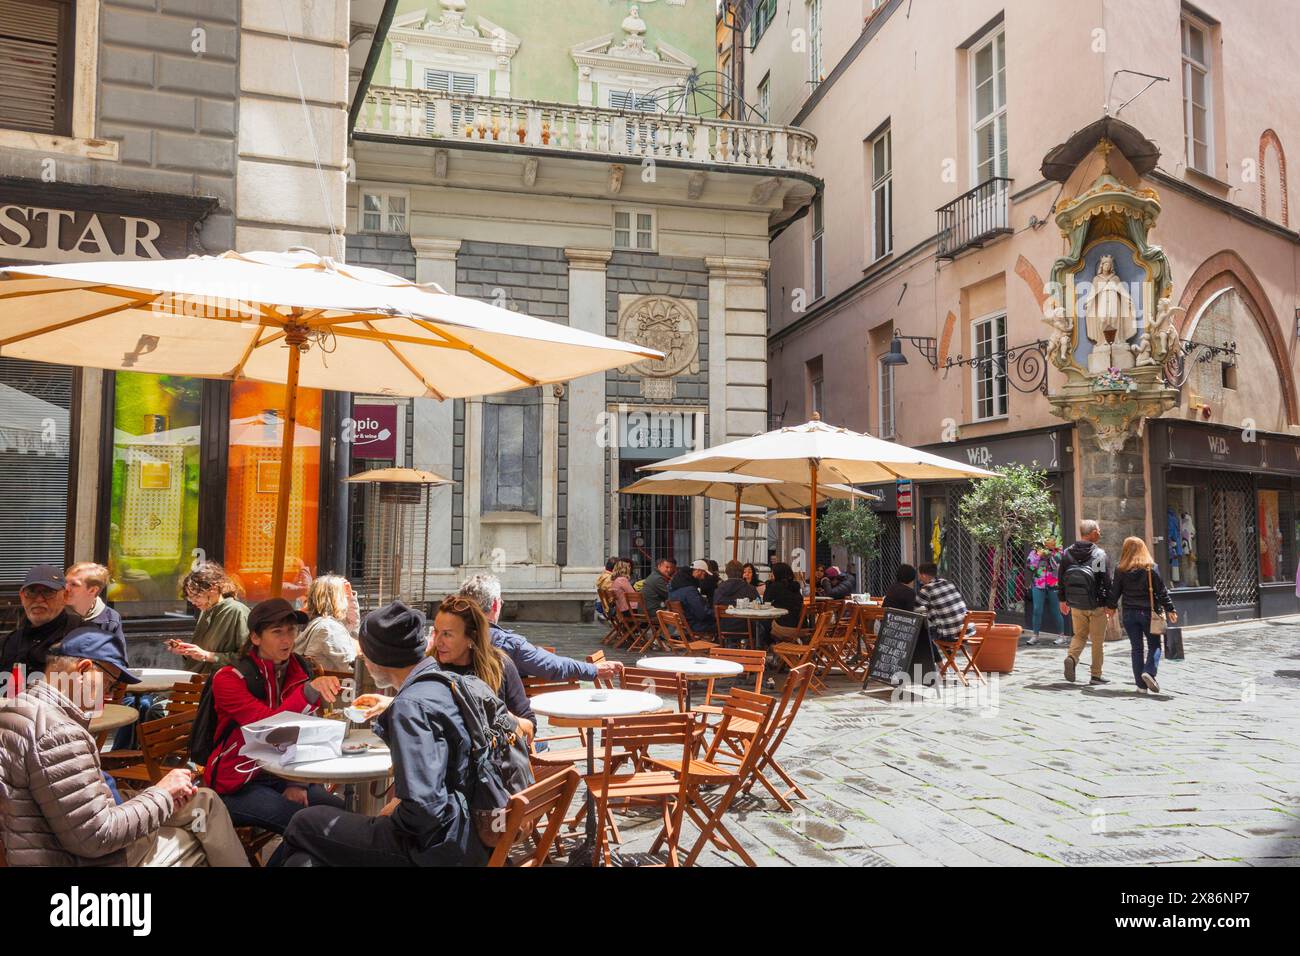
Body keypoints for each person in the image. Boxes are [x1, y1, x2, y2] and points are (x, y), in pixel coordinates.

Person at [0, 628, 248, 867]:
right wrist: (162, 792)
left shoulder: (19, 708)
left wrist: (160, 794)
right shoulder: (60, 733)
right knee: (196, 838)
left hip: (55, 842)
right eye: (109, 685)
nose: (110, 696)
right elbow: (95, 837)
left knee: (203, 806)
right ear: (84, 669)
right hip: (86, 858)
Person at [281, 601, 487, 866]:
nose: (364, 662)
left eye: (366, 654)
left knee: (304, 822)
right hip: (462, 836)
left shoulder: (410, 707)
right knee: (302, 861)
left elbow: (424, 810)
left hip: (431, 849)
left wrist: (395, 813)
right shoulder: (445, 683)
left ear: (380, 658)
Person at [203, 598, 345, 862]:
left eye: (291, 631)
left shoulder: (298, 668)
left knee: (339, 815)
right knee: (307, 826)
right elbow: (267, 727)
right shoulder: (228, 678)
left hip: (283, 773)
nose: (287, 639)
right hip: (237, 782)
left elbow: (306, 730)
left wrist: (296, 782)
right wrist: (307, 692)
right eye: (277, 632)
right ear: (255, 638)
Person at [457, 573, 622, 684]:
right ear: (495, 604)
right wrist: (594, 670)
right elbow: (553, 666)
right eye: (500, 601)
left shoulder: (446, 638)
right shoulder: (508, 645)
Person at [432, 595, 535, 740]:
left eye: (447, 634)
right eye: (436, 632)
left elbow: (530, 726)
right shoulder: (430, 668)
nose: (437, 642)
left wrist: (502, 717)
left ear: (471, 637)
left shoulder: (500, 666)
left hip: (494, 758)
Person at [1108, 537, 1178, 693]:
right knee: (1154, 645)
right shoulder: (1151, 568)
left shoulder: (1120, 569)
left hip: (1129, 614)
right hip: (1149, 614)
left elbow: (1115, 592)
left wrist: (1111, 607)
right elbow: (1161, 591)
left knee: (1136, 648)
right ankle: (1149, 671)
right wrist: (1170, 609)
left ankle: (1140, 686)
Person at [1057, 519, 1114, 685]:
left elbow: (1061, 579)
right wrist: (1109, 605)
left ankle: (1072, 658)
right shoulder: (1098, 555)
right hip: (1096, 604)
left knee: (1079, 635)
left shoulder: (1068, 553)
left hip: (1076, 603)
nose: (1100, 533)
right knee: (1097, 641)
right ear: (1092, 533)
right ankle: (1096, 675)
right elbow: (1104, 582)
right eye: (1098, 530)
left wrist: (1062, 600)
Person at [170, 562, 249, 675]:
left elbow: (248, 659)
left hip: (221, 685)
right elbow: (201, 656)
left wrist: (209, 656)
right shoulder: (206, 611)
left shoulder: (237, 611)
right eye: (190, 598)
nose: (193, 602)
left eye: (197, 596)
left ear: (214, 588)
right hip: (197, 682)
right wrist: (187, 652)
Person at [0, 565, 78, 676]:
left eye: (48, 592)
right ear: (22, 597)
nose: (39, 599)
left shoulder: (83, 636)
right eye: (31, 592)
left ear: (65, 596)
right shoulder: (10, 642)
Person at [295, 574, 360, 672]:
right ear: (337, 599)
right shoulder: (329, 627)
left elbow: (351, 624)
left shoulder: (320, 623)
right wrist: (359, 648)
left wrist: (351, 599)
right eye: (345, 596)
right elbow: (351, 667)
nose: (347, 599)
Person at [915, 562, 969, 649]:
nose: (919, 578)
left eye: (920, 575)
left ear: (924, 575)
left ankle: (927, 661)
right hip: (965, 630)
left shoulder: (927, 589)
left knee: (921, 634)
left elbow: (915, 608)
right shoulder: (947, 583)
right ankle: (946, 660)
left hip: (948, 634)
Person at [1025, 538, 1066, 646]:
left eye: (1051, 540)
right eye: (1046, 540)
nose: (1048, 542)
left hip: (1054, 583)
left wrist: (1051, 554)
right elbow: (1030, 566)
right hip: (1038, 583)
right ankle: (1035, 636)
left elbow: (1058, 567)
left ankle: (1061, 636)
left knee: (1056, 610)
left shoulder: (1059, 552)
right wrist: (1039, 555)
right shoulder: (1035, 551)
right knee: (1037, 609)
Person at [714, 559, 761, 645]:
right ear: (742, 572)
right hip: (746, 627)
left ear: (726, 572)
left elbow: (715, 607)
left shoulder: (719, 589)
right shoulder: (750, 588)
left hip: (723, 627)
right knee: (761, 628)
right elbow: (759, 605)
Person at [667, 562, 715, 635]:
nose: (703, 577)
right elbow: (702, 614)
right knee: (724, 625)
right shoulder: (689, 590)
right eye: (704, 574)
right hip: (694, 625)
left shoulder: (673, 585)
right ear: (698, 571)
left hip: (683, 624)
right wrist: (717, 614)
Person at [764, 562, 803, 628]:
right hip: (799, 624)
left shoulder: (775, 586)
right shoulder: (795, 585)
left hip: (783, 625)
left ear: (777, 574)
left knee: (760, 622)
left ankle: (760, 638)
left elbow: (766, 601)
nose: (771, 574)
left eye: (772, 572)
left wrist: (769, 583)